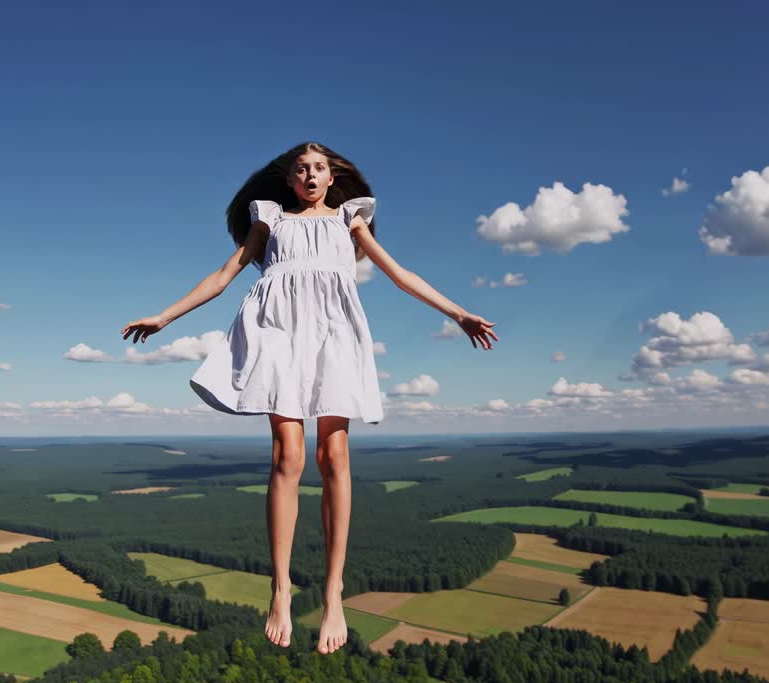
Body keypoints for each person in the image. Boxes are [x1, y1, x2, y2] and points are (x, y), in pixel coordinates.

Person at [120, 141, 498, 654]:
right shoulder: (271, 218)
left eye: (319, 168)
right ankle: (281, 588)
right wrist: (164, 316)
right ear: (290, 179)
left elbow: (400, 275)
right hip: (277, 332)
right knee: (289, 456)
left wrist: (458, 314)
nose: (312, 176)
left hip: (335, 333)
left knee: (334, 454)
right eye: (302, 169)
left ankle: (334, 591)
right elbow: (225, 274)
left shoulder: (349, 220)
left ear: (332, 175)